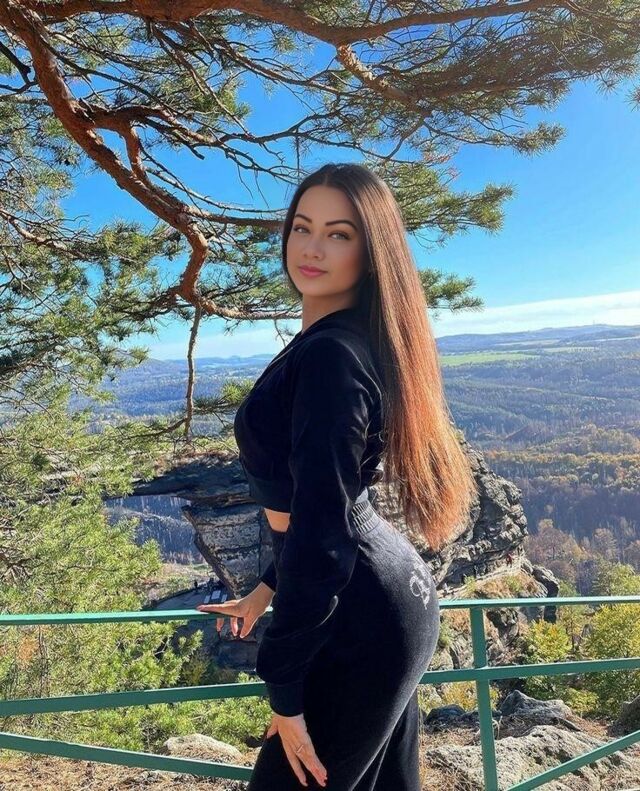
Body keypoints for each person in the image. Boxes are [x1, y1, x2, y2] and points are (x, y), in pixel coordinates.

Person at [196, 163, 477, 790]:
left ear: (371, 251)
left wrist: (286, 685)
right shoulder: (343, 340)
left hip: (359, 620)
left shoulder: (331, 354)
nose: (313, 248)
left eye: (339, 234)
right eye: (302, 227)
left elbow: (324, 527)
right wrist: (266, 589)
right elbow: (329, 503)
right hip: (389, 600)